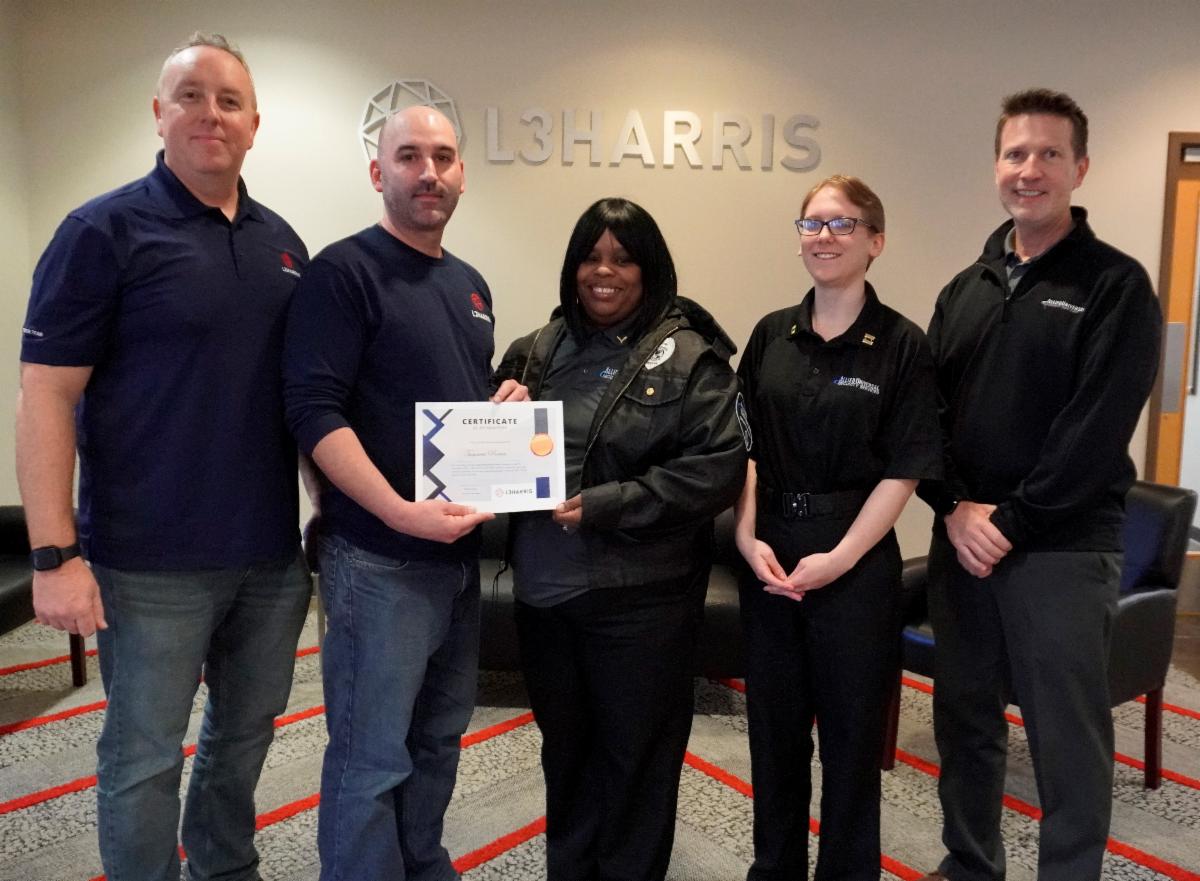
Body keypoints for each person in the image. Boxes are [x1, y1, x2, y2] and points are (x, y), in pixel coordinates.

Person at [16, 33, 312, 881]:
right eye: (190, 96)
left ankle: (223, 867)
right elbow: (45, 397)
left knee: (244, 734)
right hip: (146, 565)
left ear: (255, 124)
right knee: (144, 755)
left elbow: (307, 400)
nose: (209, 114)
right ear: (158, 113)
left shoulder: (283, 245)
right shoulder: (100, 232)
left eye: (228, 101)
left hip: (268, 560)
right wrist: (54, 554)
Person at [916, 89, 1162, 881]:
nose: (1031, 169)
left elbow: (1092, 434)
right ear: (997, 166)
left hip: (1058, 548)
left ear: (1080, 168)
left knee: (1066, 738)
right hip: (962, 542)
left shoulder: (1116, 286)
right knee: (966, 722)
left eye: (1050, 154)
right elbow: (928, 416)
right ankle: (970, 865)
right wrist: (953, 508)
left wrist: (1010, 523)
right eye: (1017, 153)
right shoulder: (966, 288)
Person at [282, 105, 527, 881]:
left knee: (438, 738)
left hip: (454, 563)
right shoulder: (342, 272)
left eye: (444, 157)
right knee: (370, 754)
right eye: (410, 156)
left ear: (461, 173)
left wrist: (496, 414)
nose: (429, 172)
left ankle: (422, 865)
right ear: (377, 172)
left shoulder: (470, 286)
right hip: (377, 561)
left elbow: (434, 409)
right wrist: (397, 511)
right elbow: (313, 411)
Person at [492, 197, 747, 881]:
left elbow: (715, 470)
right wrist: (495, 414)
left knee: (636, 762)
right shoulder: (533, 350)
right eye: (590, 256)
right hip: (545, 599)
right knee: (566, 755)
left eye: (622, 257)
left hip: (642, 603)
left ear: (649, 267)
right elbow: (491, 458)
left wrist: (606, 505)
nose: (603, 272)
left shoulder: (692, 356)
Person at [735, 175, 942, 881]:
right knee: (775, 738)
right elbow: (747, 449)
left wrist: (841, 556)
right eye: (811, 224)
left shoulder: (903, 346)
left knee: (852, 747)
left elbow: (905, 470)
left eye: (841, 224)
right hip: (769, 558)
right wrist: (744, 535)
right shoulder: (770, 336)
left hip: (855, 566)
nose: (823, 237)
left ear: (875, 241)